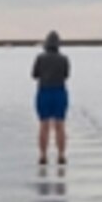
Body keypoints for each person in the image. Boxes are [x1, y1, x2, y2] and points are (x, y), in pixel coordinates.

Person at [31, 29, 71, 166]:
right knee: (60, 125)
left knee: (44, 125)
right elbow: (66, 75)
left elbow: (34, 75)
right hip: (59, 91)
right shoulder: (64, 59)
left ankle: (43, 155)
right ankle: (61, 155)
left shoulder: (40, 58)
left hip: (44, 91)